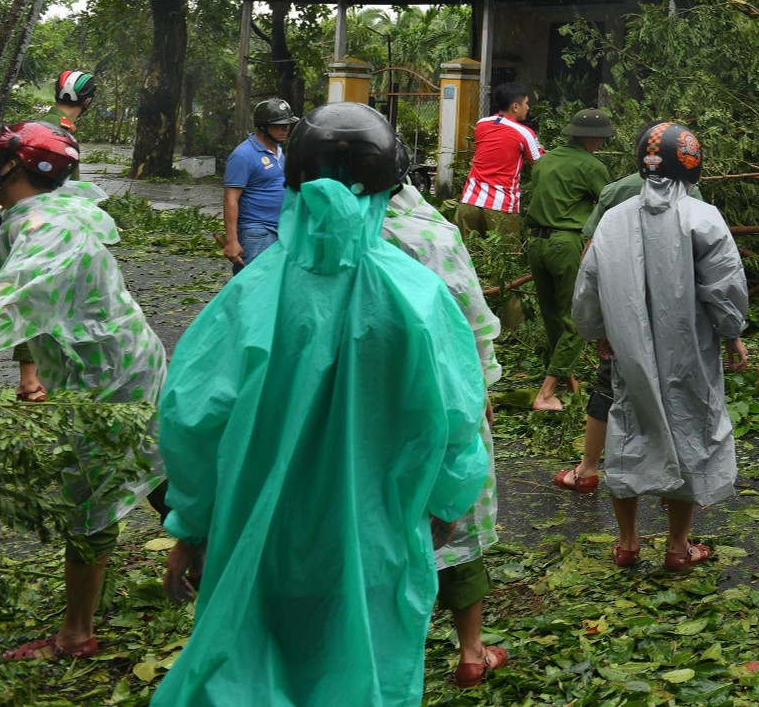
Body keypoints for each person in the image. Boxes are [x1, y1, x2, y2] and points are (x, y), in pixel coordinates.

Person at [153, 103, 489, 707]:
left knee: (246, 670)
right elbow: (459, 420)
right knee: (363, 670)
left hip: (256, 529)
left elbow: (192, 419)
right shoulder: (419, 300)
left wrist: (191, 526)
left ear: (293, 184)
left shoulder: (250, 294)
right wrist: (445, 502)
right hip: (376, 534)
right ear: (390, 187)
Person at [0, 122, 166, 661]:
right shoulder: (7, 220)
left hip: (112, 375)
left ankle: (75, 636)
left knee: (90, 498)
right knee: (154, 463)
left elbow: (3, 305)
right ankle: (213, 566)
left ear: (12, 167)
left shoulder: (53, 231)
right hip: (90, 369)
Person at [572, 121, 750, 569]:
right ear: (692, 165)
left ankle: (628, 543)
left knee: (630, 428)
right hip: (691, 350)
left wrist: (597, 333)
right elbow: (724, 287)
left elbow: (588, 286)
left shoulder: (614, 219)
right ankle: (677, 546)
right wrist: (732, 334)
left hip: (627, 351)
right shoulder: (702, 217)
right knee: (690, 428)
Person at [380, 143, 509, 688]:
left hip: (364, 413)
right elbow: (472, 320)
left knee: (375, 524)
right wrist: (484, 386)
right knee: (456, 512)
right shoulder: (431, 237)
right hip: (440, 400)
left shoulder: (308, 243)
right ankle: (471, 652)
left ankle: (381, 658)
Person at [553, 128, 708, 496]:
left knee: (610, 386)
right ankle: (675, 476)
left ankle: (589, 468)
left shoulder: (617, 190)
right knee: (677, 392)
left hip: (624, 313)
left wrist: (597, 319)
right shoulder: (692, 194)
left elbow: (590, 255)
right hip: (678, 318)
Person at [16, 68, 99, 402]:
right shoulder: (62, 136)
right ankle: (31, 381)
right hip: (46, 227)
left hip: (23, 221)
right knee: (43, 300)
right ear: (88, 101)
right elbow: (68, 191)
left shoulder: (31, 127)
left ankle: (33, 378)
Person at [522, 109, 613, 411]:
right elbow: (608, 209)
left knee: (552, 316)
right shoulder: (592, 166)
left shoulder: (545, 160)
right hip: (566, 243)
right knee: (577, 317)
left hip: (536, 242)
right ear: (592, 138)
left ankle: (567, 380)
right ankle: (546, 393)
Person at [456, 82, 542, 240]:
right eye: (526, 103)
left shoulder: (481, 124)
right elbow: (541, 164)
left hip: (469, 203)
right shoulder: (525, 133)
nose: (528, 108)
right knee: (506, 259)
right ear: (515, 107)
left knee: (468, 259)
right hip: (500, 208)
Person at [222, 97, 298, 274]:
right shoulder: (243, 155)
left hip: (279, 230)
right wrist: (232, 240)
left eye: (288, 124)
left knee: (269, 291)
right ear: (263, 127)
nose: (286, 128)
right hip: (257, 233)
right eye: (280, 124)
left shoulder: (278, 151)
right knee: (252, 290)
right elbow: (230, 199)